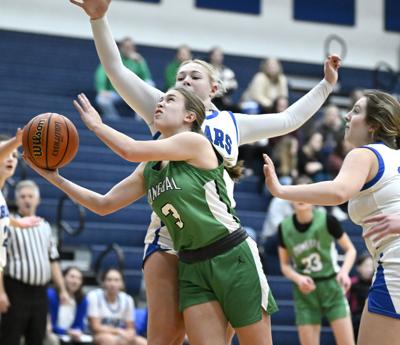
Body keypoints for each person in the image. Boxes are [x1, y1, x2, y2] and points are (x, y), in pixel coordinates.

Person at [68, 1, 341, 344]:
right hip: (169, 237)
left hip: (217, 233)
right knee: (164, 337)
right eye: (179, 76)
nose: (184, 81)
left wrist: (326, 85)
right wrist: (99, 20)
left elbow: (288, 120)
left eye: (194, 76)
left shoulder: (230, 123)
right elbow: (117, 71)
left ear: (213, 88)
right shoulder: (162, 107)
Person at [26, 87, 279, 345]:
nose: (160, 103)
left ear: (190, 116)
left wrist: (97, 126)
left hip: (232, 254)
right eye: (160, 99)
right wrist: (55, 179)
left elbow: (130, 150)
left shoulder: (196, 142)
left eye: (170, 100)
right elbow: (104, 204)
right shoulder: (150, 168)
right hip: (192, 266)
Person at [263, 90, 400, 345]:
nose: (348, 116)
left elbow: (338, 192)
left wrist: (281, 190)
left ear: (374, 125)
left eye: (357, 111)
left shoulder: (365, 154)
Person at [277, 175, 356, 345]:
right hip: (305, 291)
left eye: (306, 193)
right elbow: (284, 265)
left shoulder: (328, 220)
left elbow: (351, 250)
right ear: (290, 199)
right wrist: (298, 278)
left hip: (332, 286)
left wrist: (344, 272)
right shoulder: (283, 228)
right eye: (296, 193)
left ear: (314, 199)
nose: (301, 198)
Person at [0, 179, 69, 345]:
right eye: (22, 196)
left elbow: (53, 261)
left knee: (37, 338)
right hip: (15, 290)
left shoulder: (45, 226)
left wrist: (62, 290)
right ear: (17, 201)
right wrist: (1, 292)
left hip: (40, 293)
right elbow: (0, 261)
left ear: (37, 200)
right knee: (10, 338)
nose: (27, 199)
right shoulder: (8, 224)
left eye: (30, 196)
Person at [95, 37, 154, 119]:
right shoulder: (112, 58)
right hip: (115, 93)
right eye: (126, 47)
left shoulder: (137, 61)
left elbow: (146, 78)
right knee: (101, 100)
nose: (128, 49)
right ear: (120, 48)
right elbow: (101, 74)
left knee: (150, 83)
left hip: (133, 93)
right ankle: (115, 122)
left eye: (131, 47)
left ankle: (140, 121)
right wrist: (101, 89)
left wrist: (141, 62)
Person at [86, 268, 147, 345]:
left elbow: (130, 327)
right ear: (103, 283)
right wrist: (118, 331)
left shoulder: (127, 299)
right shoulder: (94, 296)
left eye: (116, 280)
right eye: (109, 280)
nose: (112, 283)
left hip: (120, 335)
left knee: (143, 342)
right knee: (109, 340)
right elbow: (95, 327)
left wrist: (130, 333)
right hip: (97, 335)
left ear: (122, 283)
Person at [46, 266, 92, 345]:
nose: (75, 281)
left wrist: (76, 332)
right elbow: (49, 326)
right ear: (63, 278)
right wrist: (66, 332)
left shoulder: (82, 300)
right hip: (52, 334)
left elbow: (79, 325)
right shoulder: (50, 295)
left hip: (70, 336)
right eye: (72, 277)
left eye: (79, 278)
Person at [348, 252, 374, 340]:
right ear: (359, 267)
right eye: (366, 266)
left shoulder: (376, 285)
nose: (369, 269)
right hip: (354, 321)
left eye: (371, 266)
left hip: (371, 320)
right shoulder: (351, 283)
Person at [208, 46, 238, 111]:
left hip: (223, 98)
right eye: (216, 55)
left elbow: (233, 85)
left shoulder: (227, 71)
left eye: (220, 55)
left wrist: (223, 89)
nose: (218, 57)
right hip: (209, 97)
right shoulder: (206, 70)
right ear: (211, 56)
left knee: (235, 108)